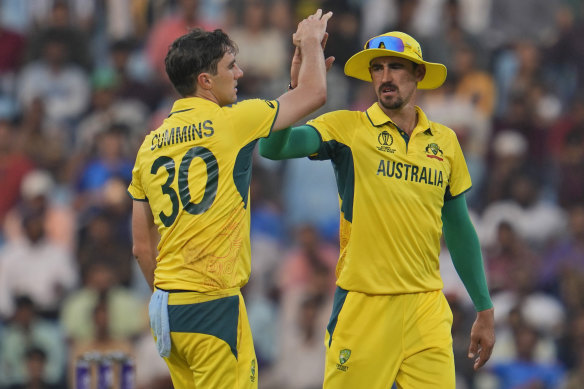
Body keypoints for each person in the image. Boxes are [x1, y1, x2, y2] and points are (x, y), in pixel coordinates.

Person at [259, 31, 495, 388]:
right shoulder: (347, 129)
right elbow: (273, 148)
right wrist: (296, 95)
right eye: (377, 68)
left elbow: (459, 227)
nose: (385, 77)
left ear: (418, 74)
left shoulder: (445, 142)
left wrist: (484, 307)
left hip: (426, 310)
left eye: (396, 67)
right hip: (364, 307)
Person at [128, 9, 333, 389]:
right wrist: (309, 45)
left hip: (166, 310)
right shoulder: (232, 121)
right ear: (206, 80)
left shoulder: (149, 145)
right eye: (230, 66)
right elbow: (316, 94)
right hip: (213, 304)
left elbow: (142, 248)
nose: (239, 74)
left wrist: (169, 296)